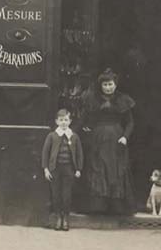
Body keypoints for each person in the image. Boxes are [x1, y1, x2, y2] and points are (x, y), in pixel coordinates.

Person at [81, 69, 136, 215]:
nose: (108, 87)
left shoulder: (123, 100)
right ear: (101, 86)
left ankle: (116, 207)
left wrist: (125, 136)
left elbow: (130, 122)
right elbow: (85, 118)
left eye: (110, 84)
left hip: (116, 139)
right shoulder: (93, 99)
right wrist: (84, 129)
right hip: (98, 139)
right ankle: (98, 206)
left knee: (116, 170)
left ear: (115, 85)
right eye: (105, 84)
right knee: (98, 168)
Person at [42, 109, 84, 231]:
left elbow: (80, 154)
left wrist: (78, 169)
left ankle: (65, 218)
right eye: (61, 120)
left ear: (70, 121)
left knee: (66, 194)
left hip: (69, 169)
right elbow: (45, 153)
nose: (64, 122)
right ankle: (58, 218)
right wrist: (46, 169)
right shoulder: (52, 136)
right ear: (56, 121)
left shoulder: (74, 136)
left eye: (66, 120)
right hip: (55, 169)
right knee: (56, 194)